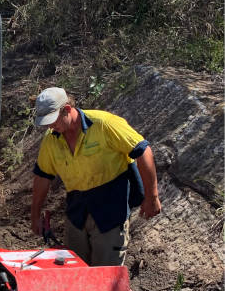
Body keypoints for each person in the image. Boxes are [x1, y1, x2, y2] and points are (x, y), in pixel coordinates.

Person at [30, 87, 161, 266]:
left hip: (111, 210)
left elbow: (143, 151)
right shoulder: (52, 139)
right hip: (77, 212)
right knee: (73, 271)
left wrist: (152, 196)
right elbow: (43, 176)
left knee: (105, 274)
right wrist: (35, 214)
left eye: (53, 120)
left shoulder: (104, 124)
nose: (50, 126)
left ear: (67, 109)